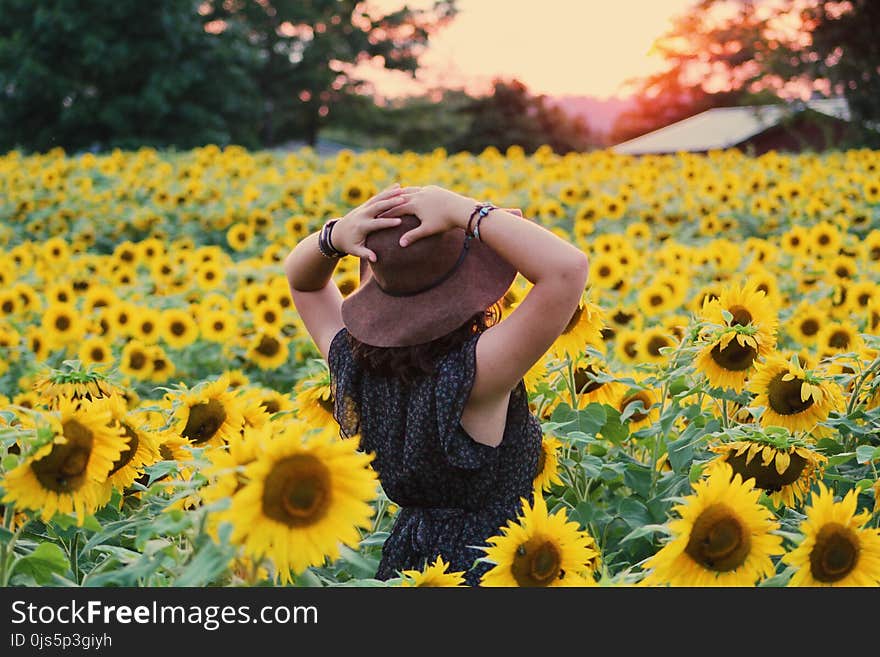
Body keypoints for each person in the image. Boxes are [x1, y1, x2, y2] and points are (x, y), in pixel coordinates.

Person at [283, 183, 589, 586]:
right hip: (498, 567)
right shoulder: (475, 372)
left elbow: (303, 282)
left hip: (410, 569)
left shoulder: (352, 361)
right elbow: (566, 270)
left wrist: (334, 237)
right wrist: (467, 212)